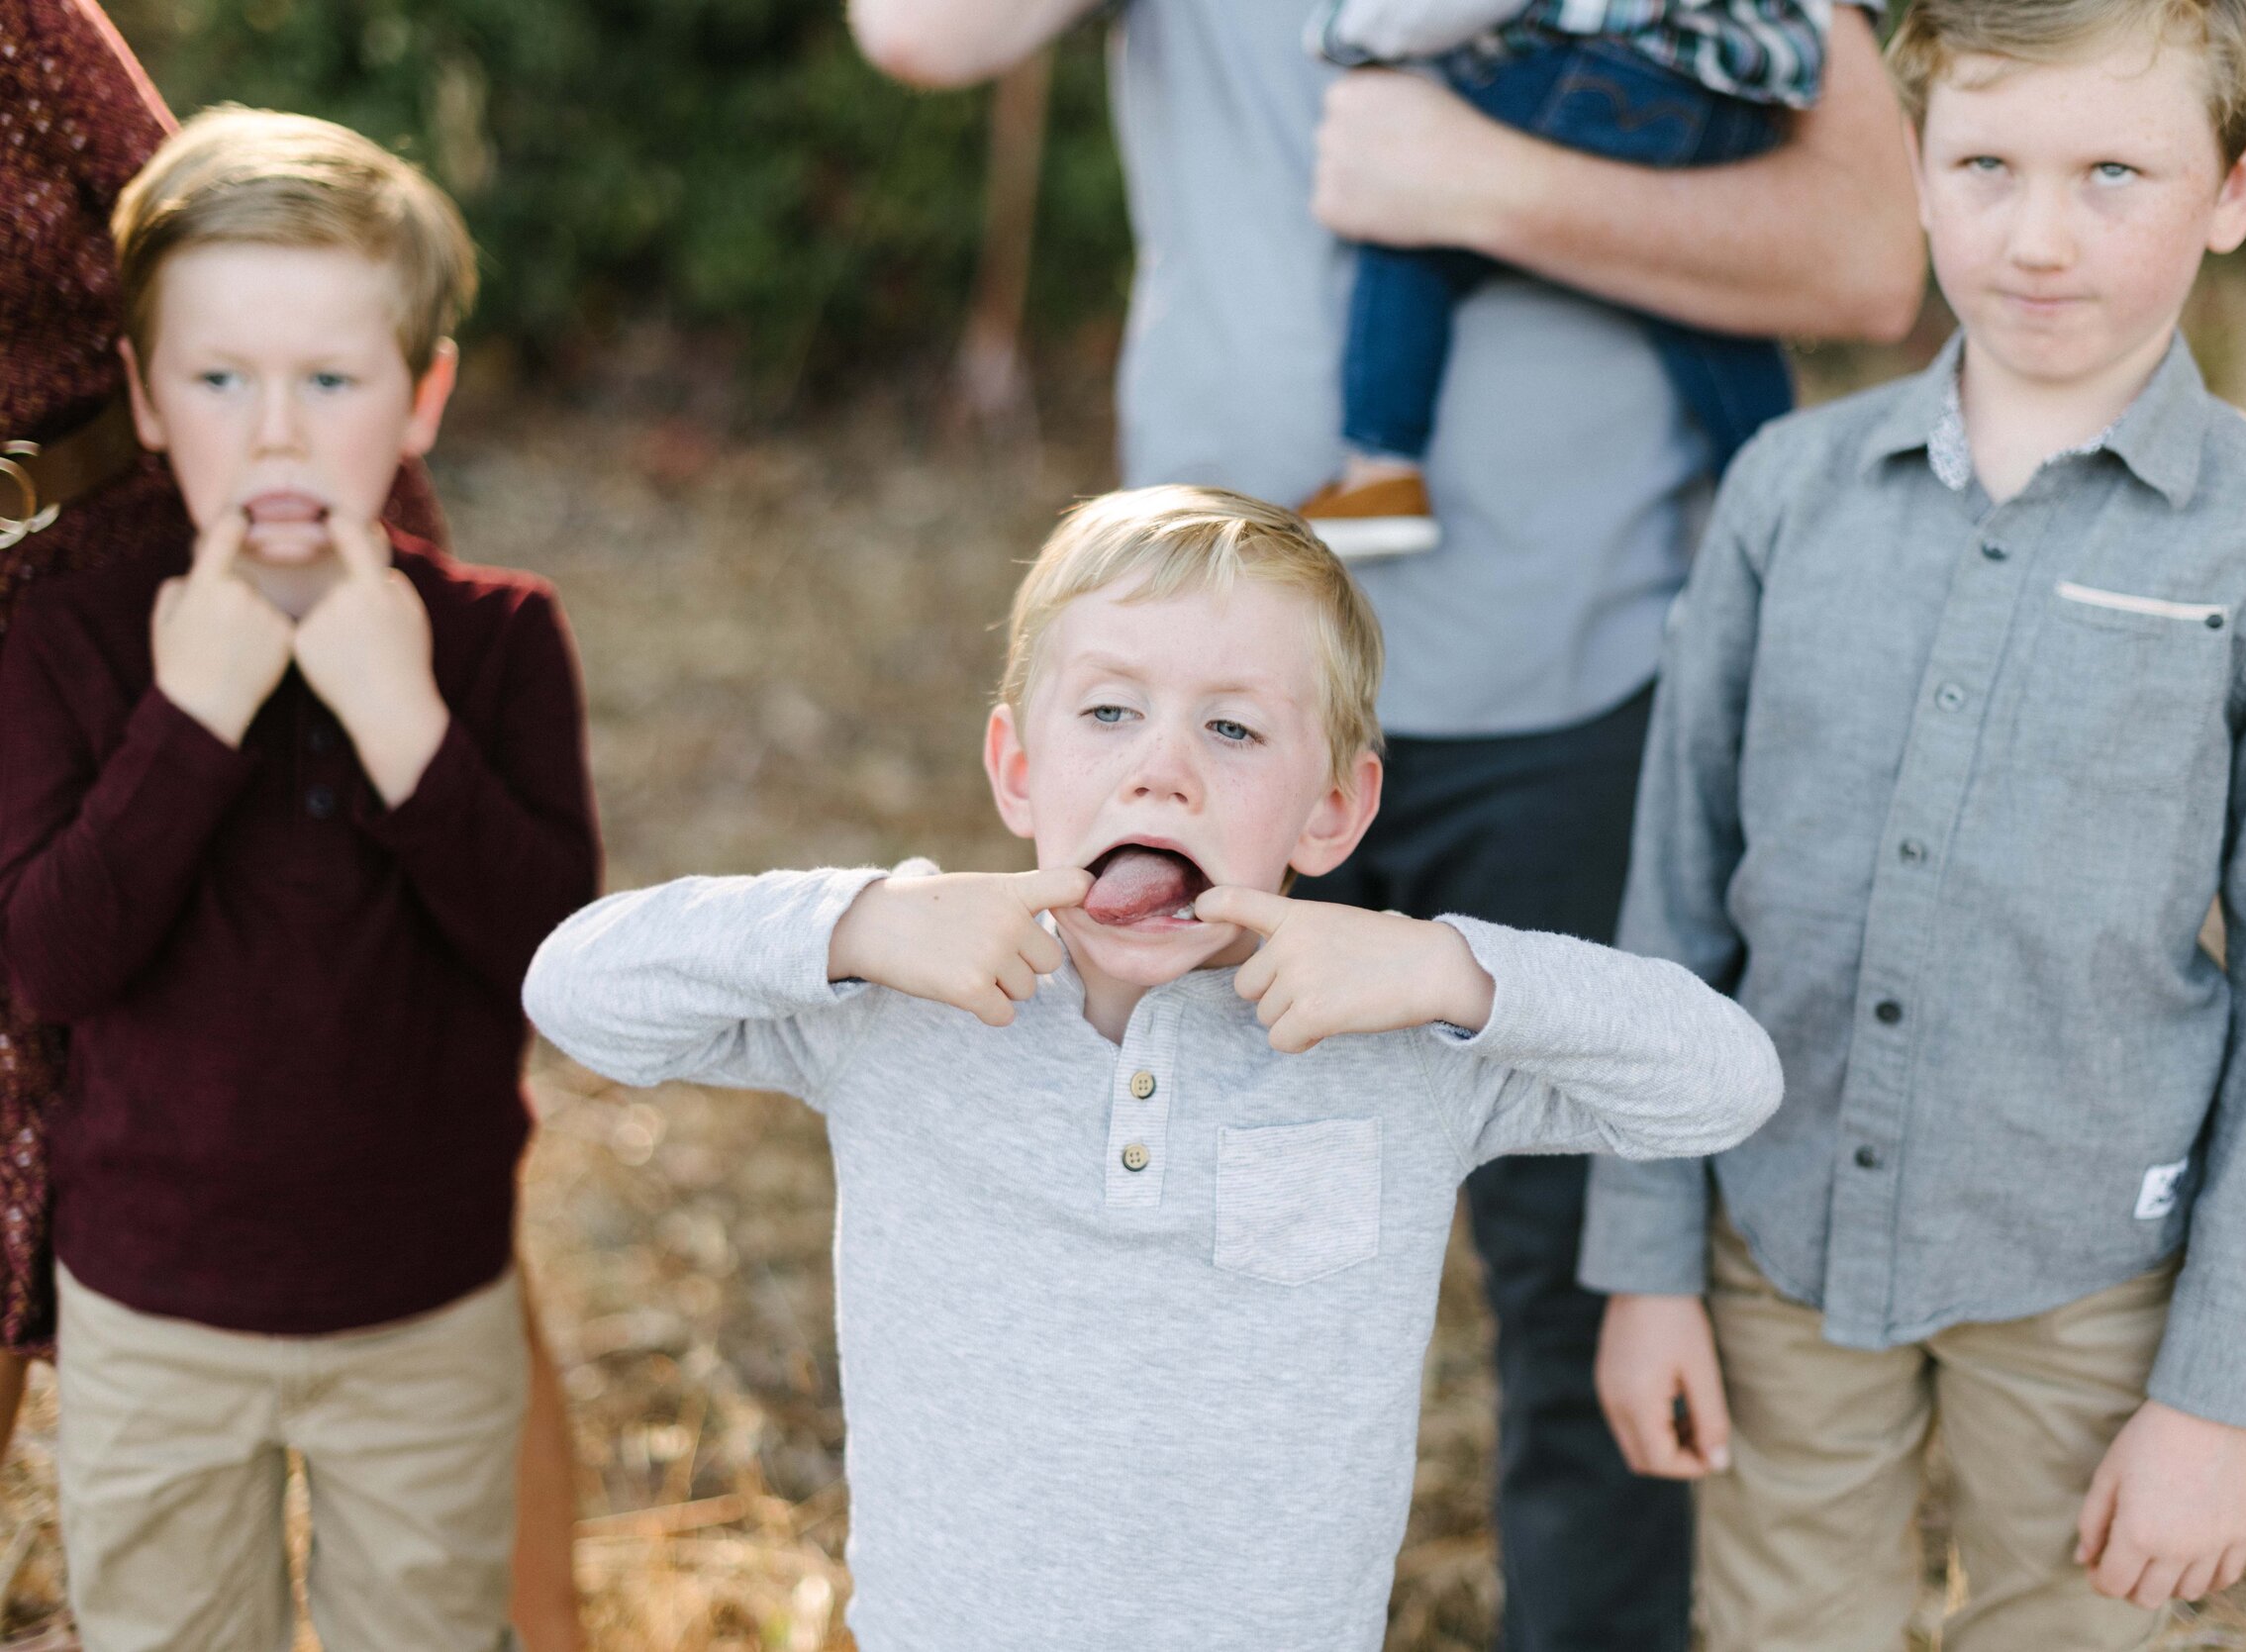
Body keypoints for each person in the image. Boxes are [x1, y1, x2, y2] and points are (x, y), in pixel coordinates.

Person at [847, 1, 1921, 1643]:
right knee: (1153, 1260)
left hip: (1579, 689)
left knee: (1594, 1294)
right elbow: (919, 33)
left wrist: (1483, 184)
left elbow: (1867, 255)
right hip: (1203, 741)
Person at [525, 484, 1782, 1651]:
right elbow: (577, 991)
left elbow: (1726, 1080)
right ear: (1018, 768)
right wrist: (855, 923)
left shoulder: (1401, 1044)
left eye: (1232, 728)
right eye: (1110, 711)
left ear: (1332, 813)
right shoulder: (893, 1000)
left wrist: (1444, 967)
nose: (1160, 766)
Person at [1582, 2, 2246, 1647]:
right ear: (1919, 167)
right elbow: (1672, 900)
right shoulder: (1785, 493)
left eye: (2114, 171)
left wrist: (2216, 1399)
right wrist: (1646, 1258)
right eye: (1985, 164)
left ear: (2240, 185)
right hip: (1777, 1239)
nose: (2037, 236)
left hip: (2092, 1272)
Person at [0, 107, 602, 1650]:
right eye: (219, 379)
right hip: (153, 1315)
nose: (274, 430)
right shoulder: (66, 639)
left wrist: (402, 719)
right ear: (143, 397)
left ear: (423, 396)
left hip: (424, 1309)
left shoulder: (497, 643)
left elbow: (556, 959)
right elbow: (54, 960)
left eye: (330, 380)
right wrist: (189, 715)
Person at [1299, 0, 1835, 557]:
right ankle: (1775, 514)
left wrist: (1349, 33)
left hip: (1616, 75)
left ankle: (1380, 467)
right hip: (1744, 94)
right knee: (1704, 304)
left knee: (1404, 191)